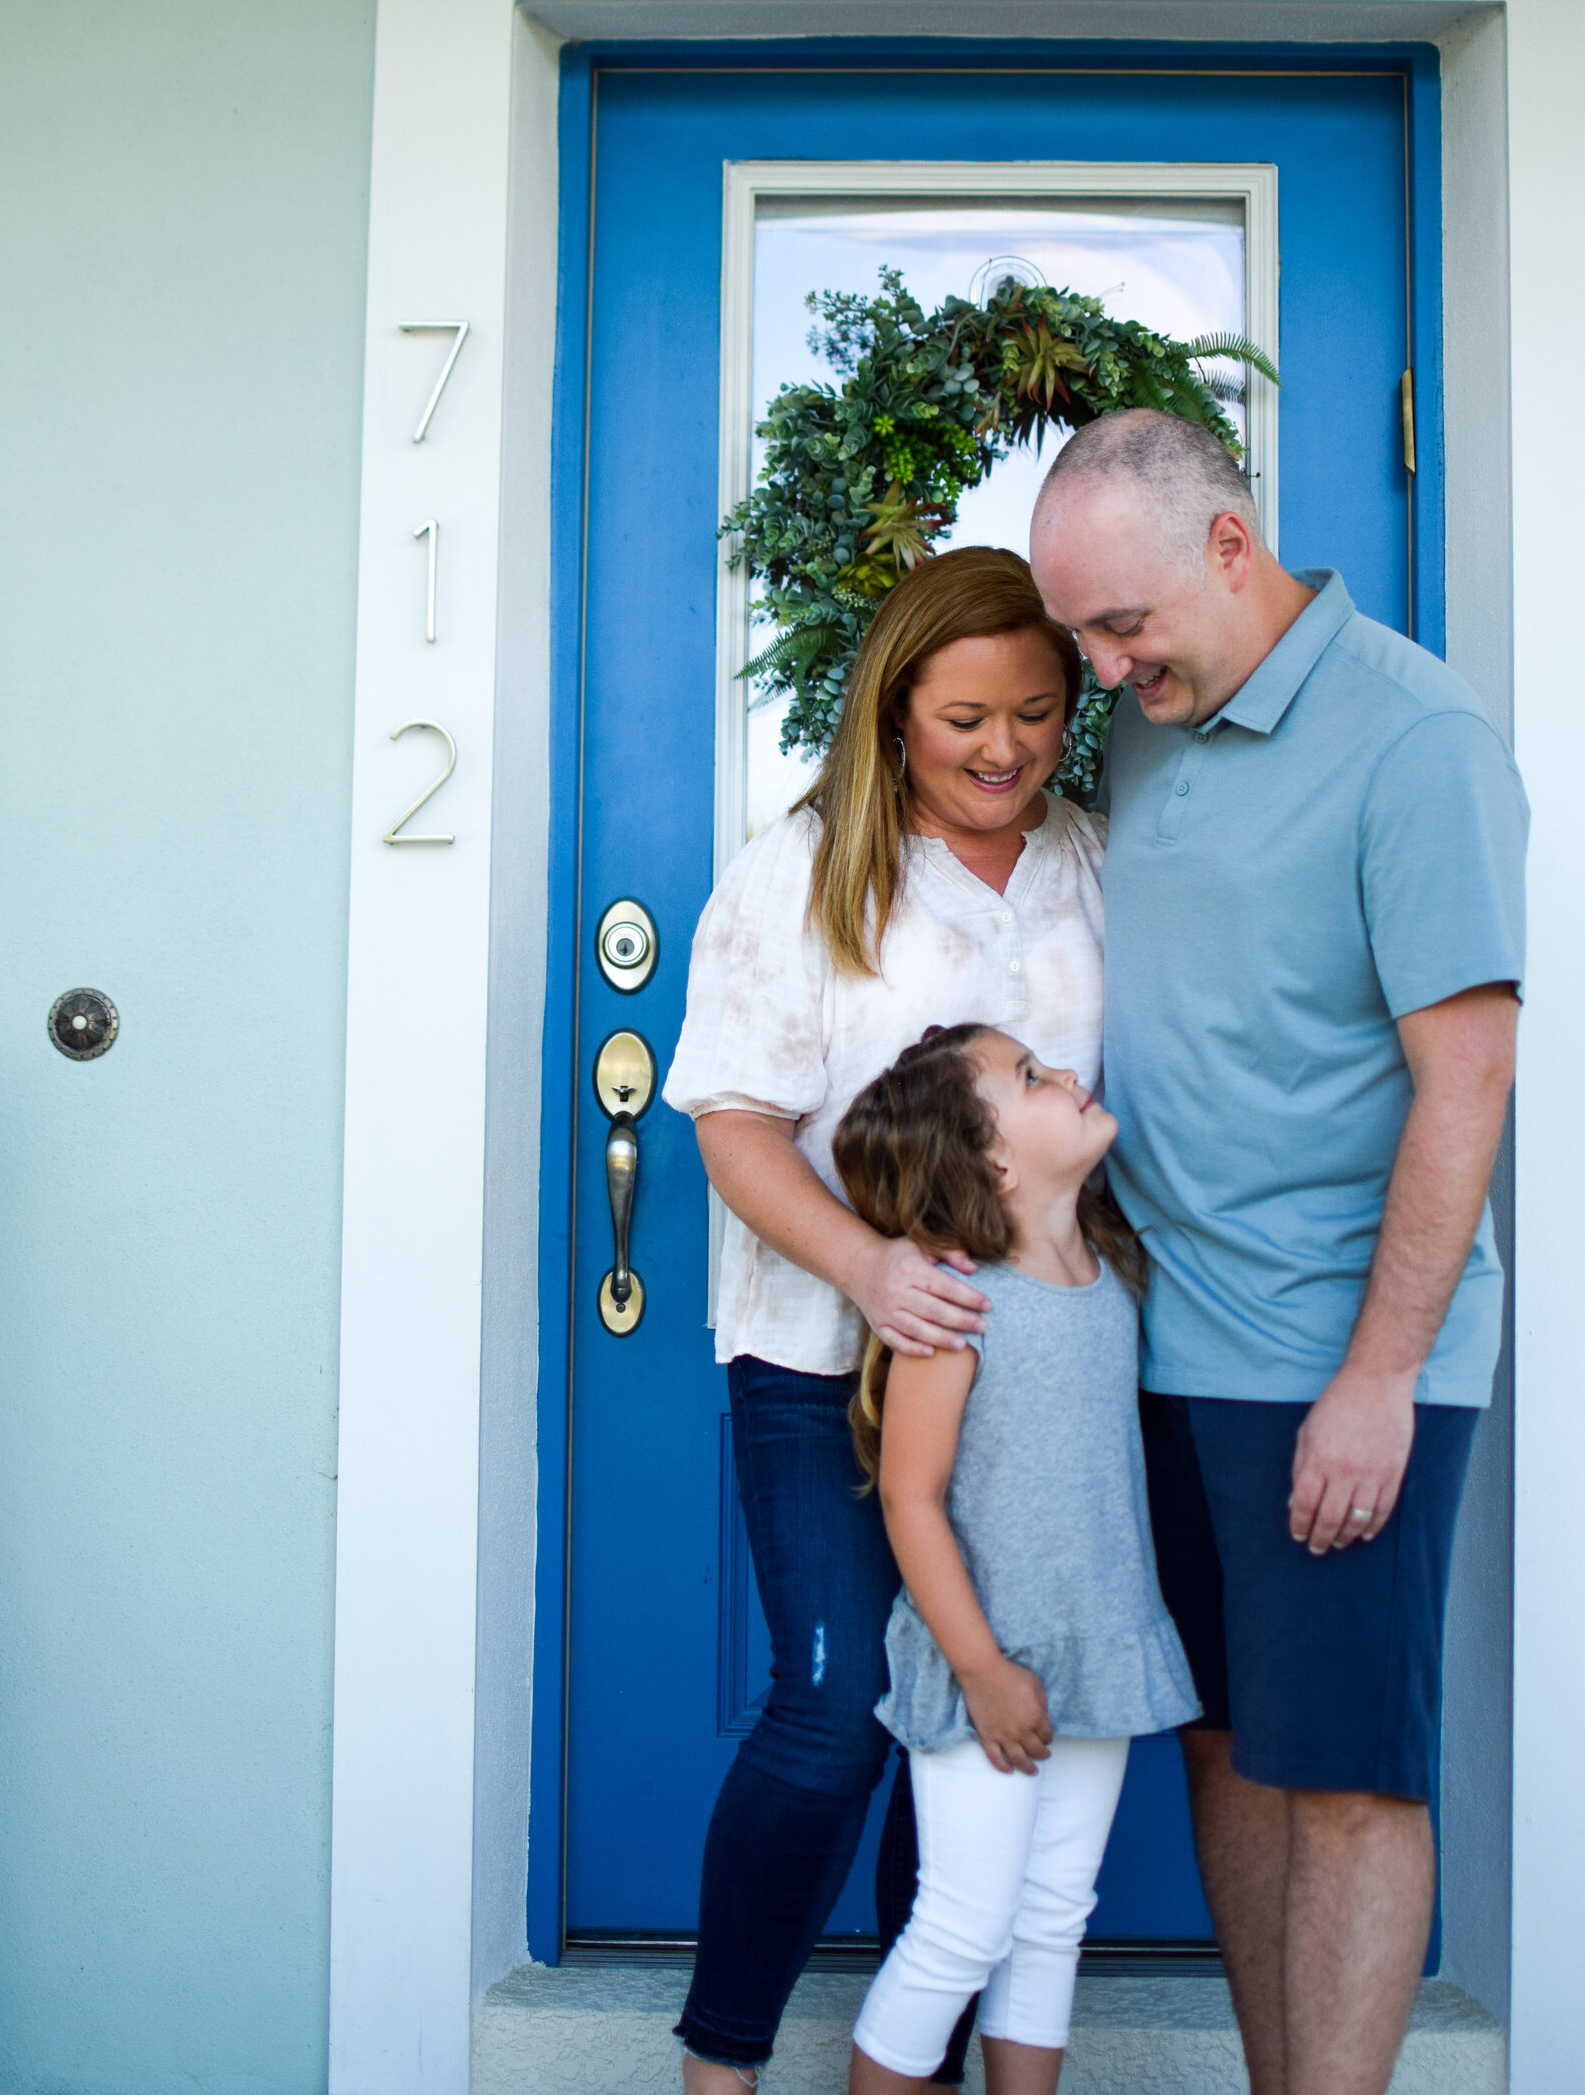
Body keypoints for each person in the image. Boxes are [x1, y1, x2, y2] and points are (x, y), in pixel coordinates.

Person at [1029, 409, 1528, 2095]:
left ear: (1229, 548)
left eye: (1121, 626)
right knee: (1229, 1747)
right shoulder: (1163, 717)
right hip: (1168, 1347)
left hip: (1339, 1358)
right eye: (1079, 636)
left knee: (1349, 1778)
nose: (1100, 674)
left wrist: (1380, 1377)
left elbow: (1468, 1078)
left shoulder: (1417, 740)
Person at [662, 546, 1103, 2093]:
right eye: (967, 717)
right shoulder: (801, 871)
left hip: (1026, 1391)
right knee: (840, 1708)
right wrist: (866, 1268)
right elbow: (728, 1123)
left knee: (971, 1738)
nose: (1004, 750)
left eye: (1038, 716)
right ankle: (721, 2068)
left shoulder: (1089, 867)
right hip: (820, 1358)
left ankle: (909, 2067)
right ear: (895, 711)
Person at [833, 1023, 1198, 2095]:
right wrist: (983, 1670)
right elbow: (910, 1498)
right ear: (988, 1161)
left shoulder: (1112, 1272)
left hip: (1100, 1647)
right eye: (1032, 1077)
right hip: (983, 1657)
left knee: (1050, 1924)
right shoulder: (956, 1304)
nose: (1068, 1074)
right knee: (962, 1927)